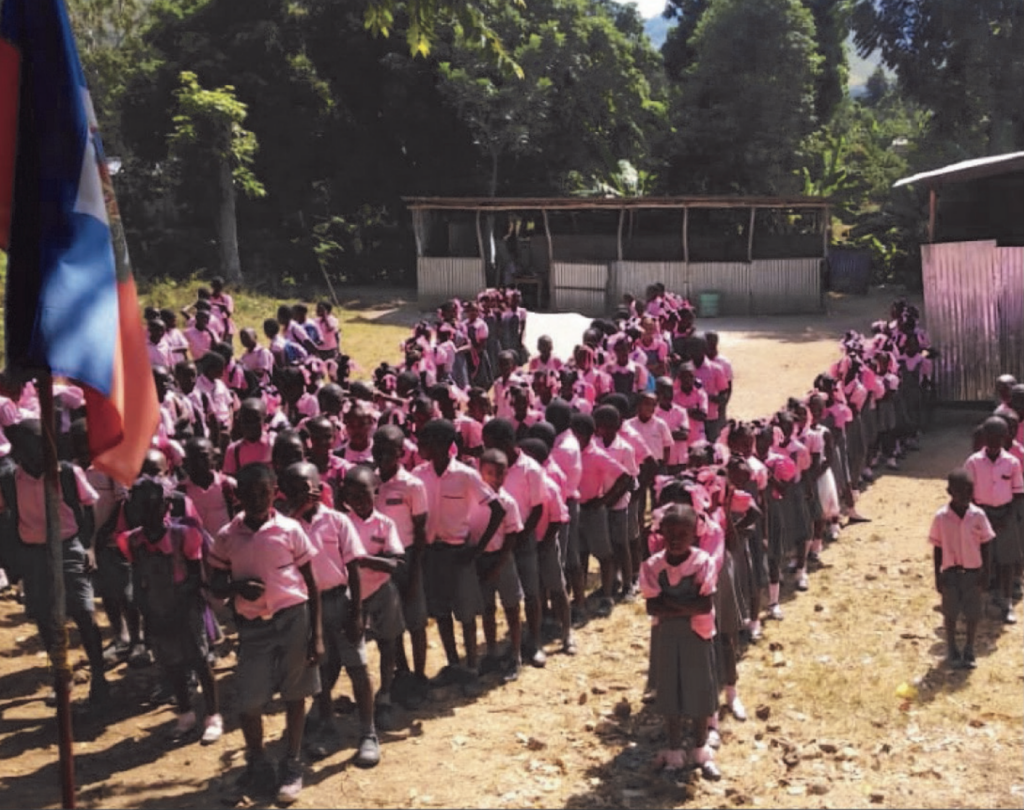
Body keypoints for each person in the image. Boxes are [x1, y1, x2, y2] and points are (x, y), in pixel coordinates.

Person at [208, 463, 323, 805]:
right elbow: (214, 584)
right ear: (237, 495)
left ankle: (291, 762)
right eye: (250, 493)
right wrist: (236, 586)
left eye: (264, 491)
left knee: (294, 693)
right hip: (254, 628)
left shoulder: (290, 529)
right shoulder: (227, 536)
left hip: (293, 619)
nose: (257, 498)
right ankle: (257, 761)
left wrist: (316, 634)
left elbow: (312, 583)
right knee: (250, 701)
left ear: (276, 492)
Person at [278, 462, 381, 768]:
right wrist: (294, 513)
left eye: (310, 487)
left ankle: (368, 733)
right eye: (296, 490)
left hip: (340, 600)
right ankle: (327, 726)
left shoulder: (337, 521)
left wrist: (357, 611)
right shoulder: (284, 526)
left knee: (358, 667)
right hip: (307, 607)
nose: (305, 494)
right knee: (320, 673)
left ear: (321, 487)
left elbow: (353, 567)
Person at [0, 420, 109, 707]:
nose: (40, 450)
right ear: (19, 450)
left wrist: (90, 546)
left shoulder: (68, 474)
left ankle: (99, 675)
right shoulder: (10, 479)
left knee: (84, 613)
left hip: (68, 546)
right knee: (45, 617)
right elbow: (6, 515)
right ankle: (62, 674)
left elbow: (89, 506)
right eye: (32, 445)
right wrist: (12, 560)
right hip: (33, 552)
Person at [118, 476, 222, 744]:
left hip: (185, 609)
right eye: (142, 506)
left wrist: (178, 610)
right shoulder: (132, 541)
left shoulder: (184, 535)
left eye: (154, 505)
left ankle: (212, 714)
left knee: (199, 660)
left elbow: (194, 578)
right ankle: (185, 713)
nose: (148, 512)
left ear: (167, 506)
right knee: (172, 664)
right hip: (157, 610)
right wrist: (148, 614)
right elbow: (139, 580)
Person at [413, 419, 504, 696]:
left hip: (458, 552)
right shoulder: (419, 475)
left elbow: (497, 510)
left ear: (441, 445)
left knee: (465, 613)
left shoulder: (465, 475)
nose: (420, 448)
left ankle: (471, 668)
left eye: (425, 443)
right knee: (441, 612)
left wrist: (476, 550)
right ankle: (453, 664)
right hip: (433, 553)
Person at [640, 504, 720, 780]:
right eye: (669, 533)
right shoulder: (653, 565)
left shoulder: (703, 562)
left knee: (699, 692)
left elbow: (705, 603)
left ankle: (700, 750)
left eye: (683, 533)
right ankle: (674, 752)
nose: (675, 539)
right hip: (667, 638)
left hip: (697, 634)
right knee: (670, 692)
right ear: (660, 533)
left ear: (695, 534)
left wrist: (669, 604)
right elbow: (652, 608)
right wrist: (686, 604)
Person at [341, 466, 405, 730]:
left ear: (376, 494)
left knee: (388, 643)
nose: (360, 501)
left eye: (365, 495)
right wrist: (376, 561)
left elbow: (396, 563)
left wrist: (362, 559)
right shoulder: (343, 523)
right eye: (354, 496)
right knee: (353, 649)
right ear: (346, 497)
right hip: (350, 595)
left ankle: (386, 696)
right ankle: (361, 697)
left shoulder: (385, 524)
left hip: (382, 592)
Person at [372, 425, 430, 707]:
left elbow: (421, 531)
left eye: (389, 450)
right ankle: (402, 671)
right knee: (391, 623)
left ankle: (419, 677)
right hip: (379, 561)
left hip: (406, 558)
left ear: (401, 453)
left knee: (416, 619)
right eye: (378, 448)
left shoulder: (412, 485)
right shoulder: (368, 482)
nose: (382, 455)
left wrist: (417, 572)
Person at [929, 469, 994, 668]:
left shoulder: (978, 515)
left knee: (973, 613)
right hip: (950, 573)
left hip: (973, 573)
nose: (965, 495)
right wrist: (937, 575)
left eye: (969, 491)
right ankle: (952, 649)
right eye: (960, 491)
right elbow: (937, 548)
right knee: (950, 613)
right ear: (950, 491)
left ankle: (969, 648)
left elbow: (986, 545)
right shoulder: (941, 517)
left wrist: (986, 572)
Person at [471, 448, 525, 682]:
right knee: (486, 608)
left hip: (502, 558)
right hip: (480, 560)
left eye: (500, 473)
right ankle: (491, 652)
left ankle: (515, 654)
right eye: (490, 472)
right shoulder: (473, 499)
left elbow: (512, 535)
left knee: (512, 606)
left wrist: (499, 564)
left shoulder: (508, 502)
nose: (495, 478)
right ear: (480, 472)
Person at [963, 417, 1024, 624]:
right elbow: (967, 494)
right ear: (984, 437)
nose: (995, 441)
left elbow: (1018, 494)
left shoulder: (1012, 462)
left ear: (1006, 437)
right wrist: (978, 517)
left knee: (1006, 561)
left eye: (1000, 437)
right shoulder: (973, 462)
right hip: (981, 514)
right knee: (979, 560)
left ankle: (1005, 602)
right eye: (991, 436)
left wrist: (1008, 517)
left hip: (1005, 516)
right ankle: (978, 602)